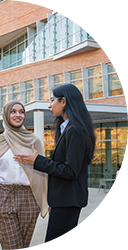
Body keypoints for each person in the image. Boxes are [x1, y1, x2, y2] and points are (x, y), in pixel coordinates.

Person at [14, 84, 96, 250]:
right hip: (65, 200)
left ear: (63, 101)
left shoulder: (75, 130)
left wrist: (37, 161)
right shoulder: (69, 129)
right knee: (66, 245)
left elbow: (70, 170)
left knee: (55, 245)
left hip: (68, 201)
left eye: (52, 100)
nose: (49, 105)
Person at [0, 100, 48, 250]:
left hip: (29, 199)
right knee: (12, 247)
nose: (18, 115)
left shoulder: (34, 141)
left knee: (23, 247)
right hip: (4, 196)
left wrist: (43, 199)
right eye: (13, 111)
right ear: (6, 115)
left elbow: (41, 173)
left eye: (21, 111)